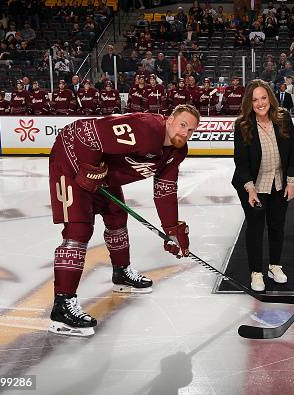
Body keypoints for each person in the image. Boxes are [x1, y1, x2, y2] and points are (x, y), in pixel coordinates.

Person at [48, 104, 200, 337]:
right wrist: (89, 166)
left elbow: (165, 190)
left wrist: (171, 229)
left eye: (191, 130)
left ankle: (121, 272)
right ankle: (62, 305)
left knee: (117, 216)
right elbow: (89, 133)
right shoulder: (147, 128)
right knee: (79, 229)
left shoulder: (176, 153)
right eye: (182, 125)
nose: (185, 133)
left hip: (100, 169)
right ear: (170, 120)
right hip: (72, 156)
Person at [231, 79, 294, 292]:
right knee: (256, 229)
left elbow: (293, 152)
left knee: (277, 226)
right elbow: (240, 162)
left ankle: (274, 266)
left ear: (270, 97)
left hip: (279, 184)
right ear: (249, 103)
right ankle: (256, 272)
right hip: (254, 186)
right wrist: (250, 188)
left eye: (263, 97)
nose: (260, 103)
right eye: (255, 100)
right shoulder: (242, 124)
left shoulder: (283, 117)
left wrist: (291, 182)